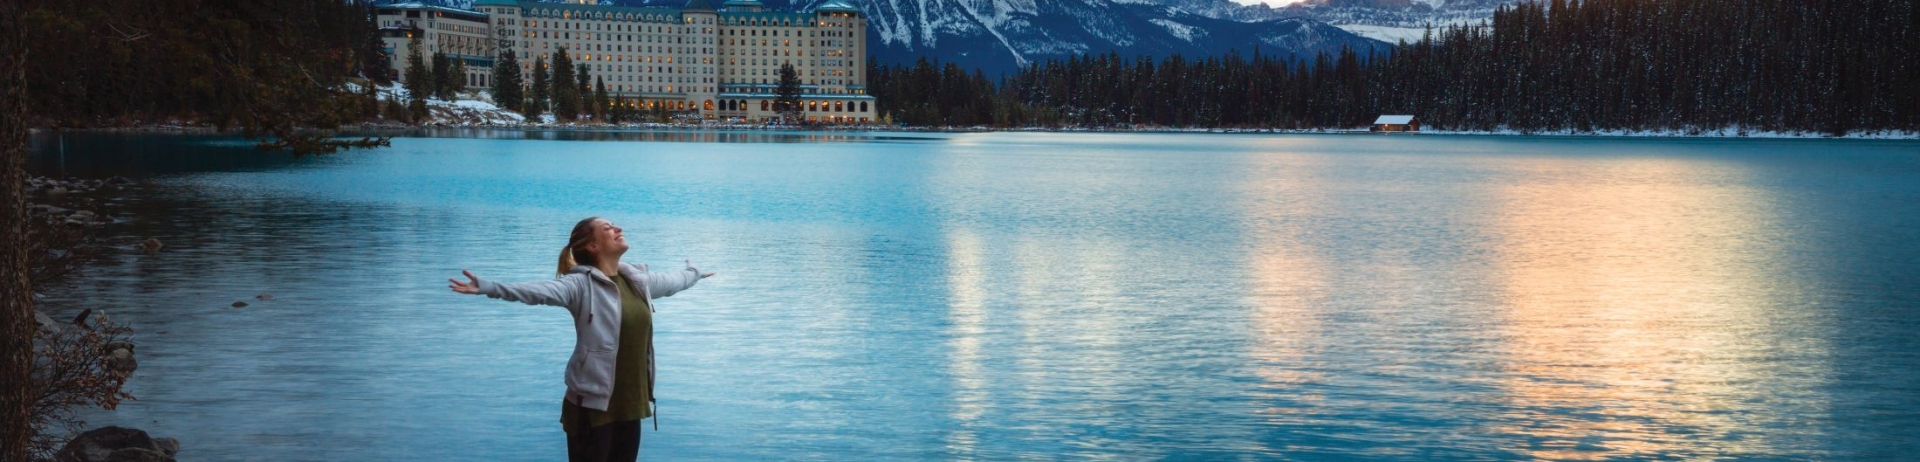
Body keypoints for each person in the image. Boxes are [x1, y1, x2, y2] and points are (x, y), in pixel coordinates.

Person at [448, 217, 714, 462]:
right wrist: (488, 287)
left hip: (630, 403)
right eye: (608, 228)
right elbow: (538, 291)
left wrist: (694, 273)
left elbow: (672, 281)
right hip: (591, 406)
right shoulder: (579, 285)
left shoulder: (636, 280)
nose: (617, 229)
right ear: (593, 246)